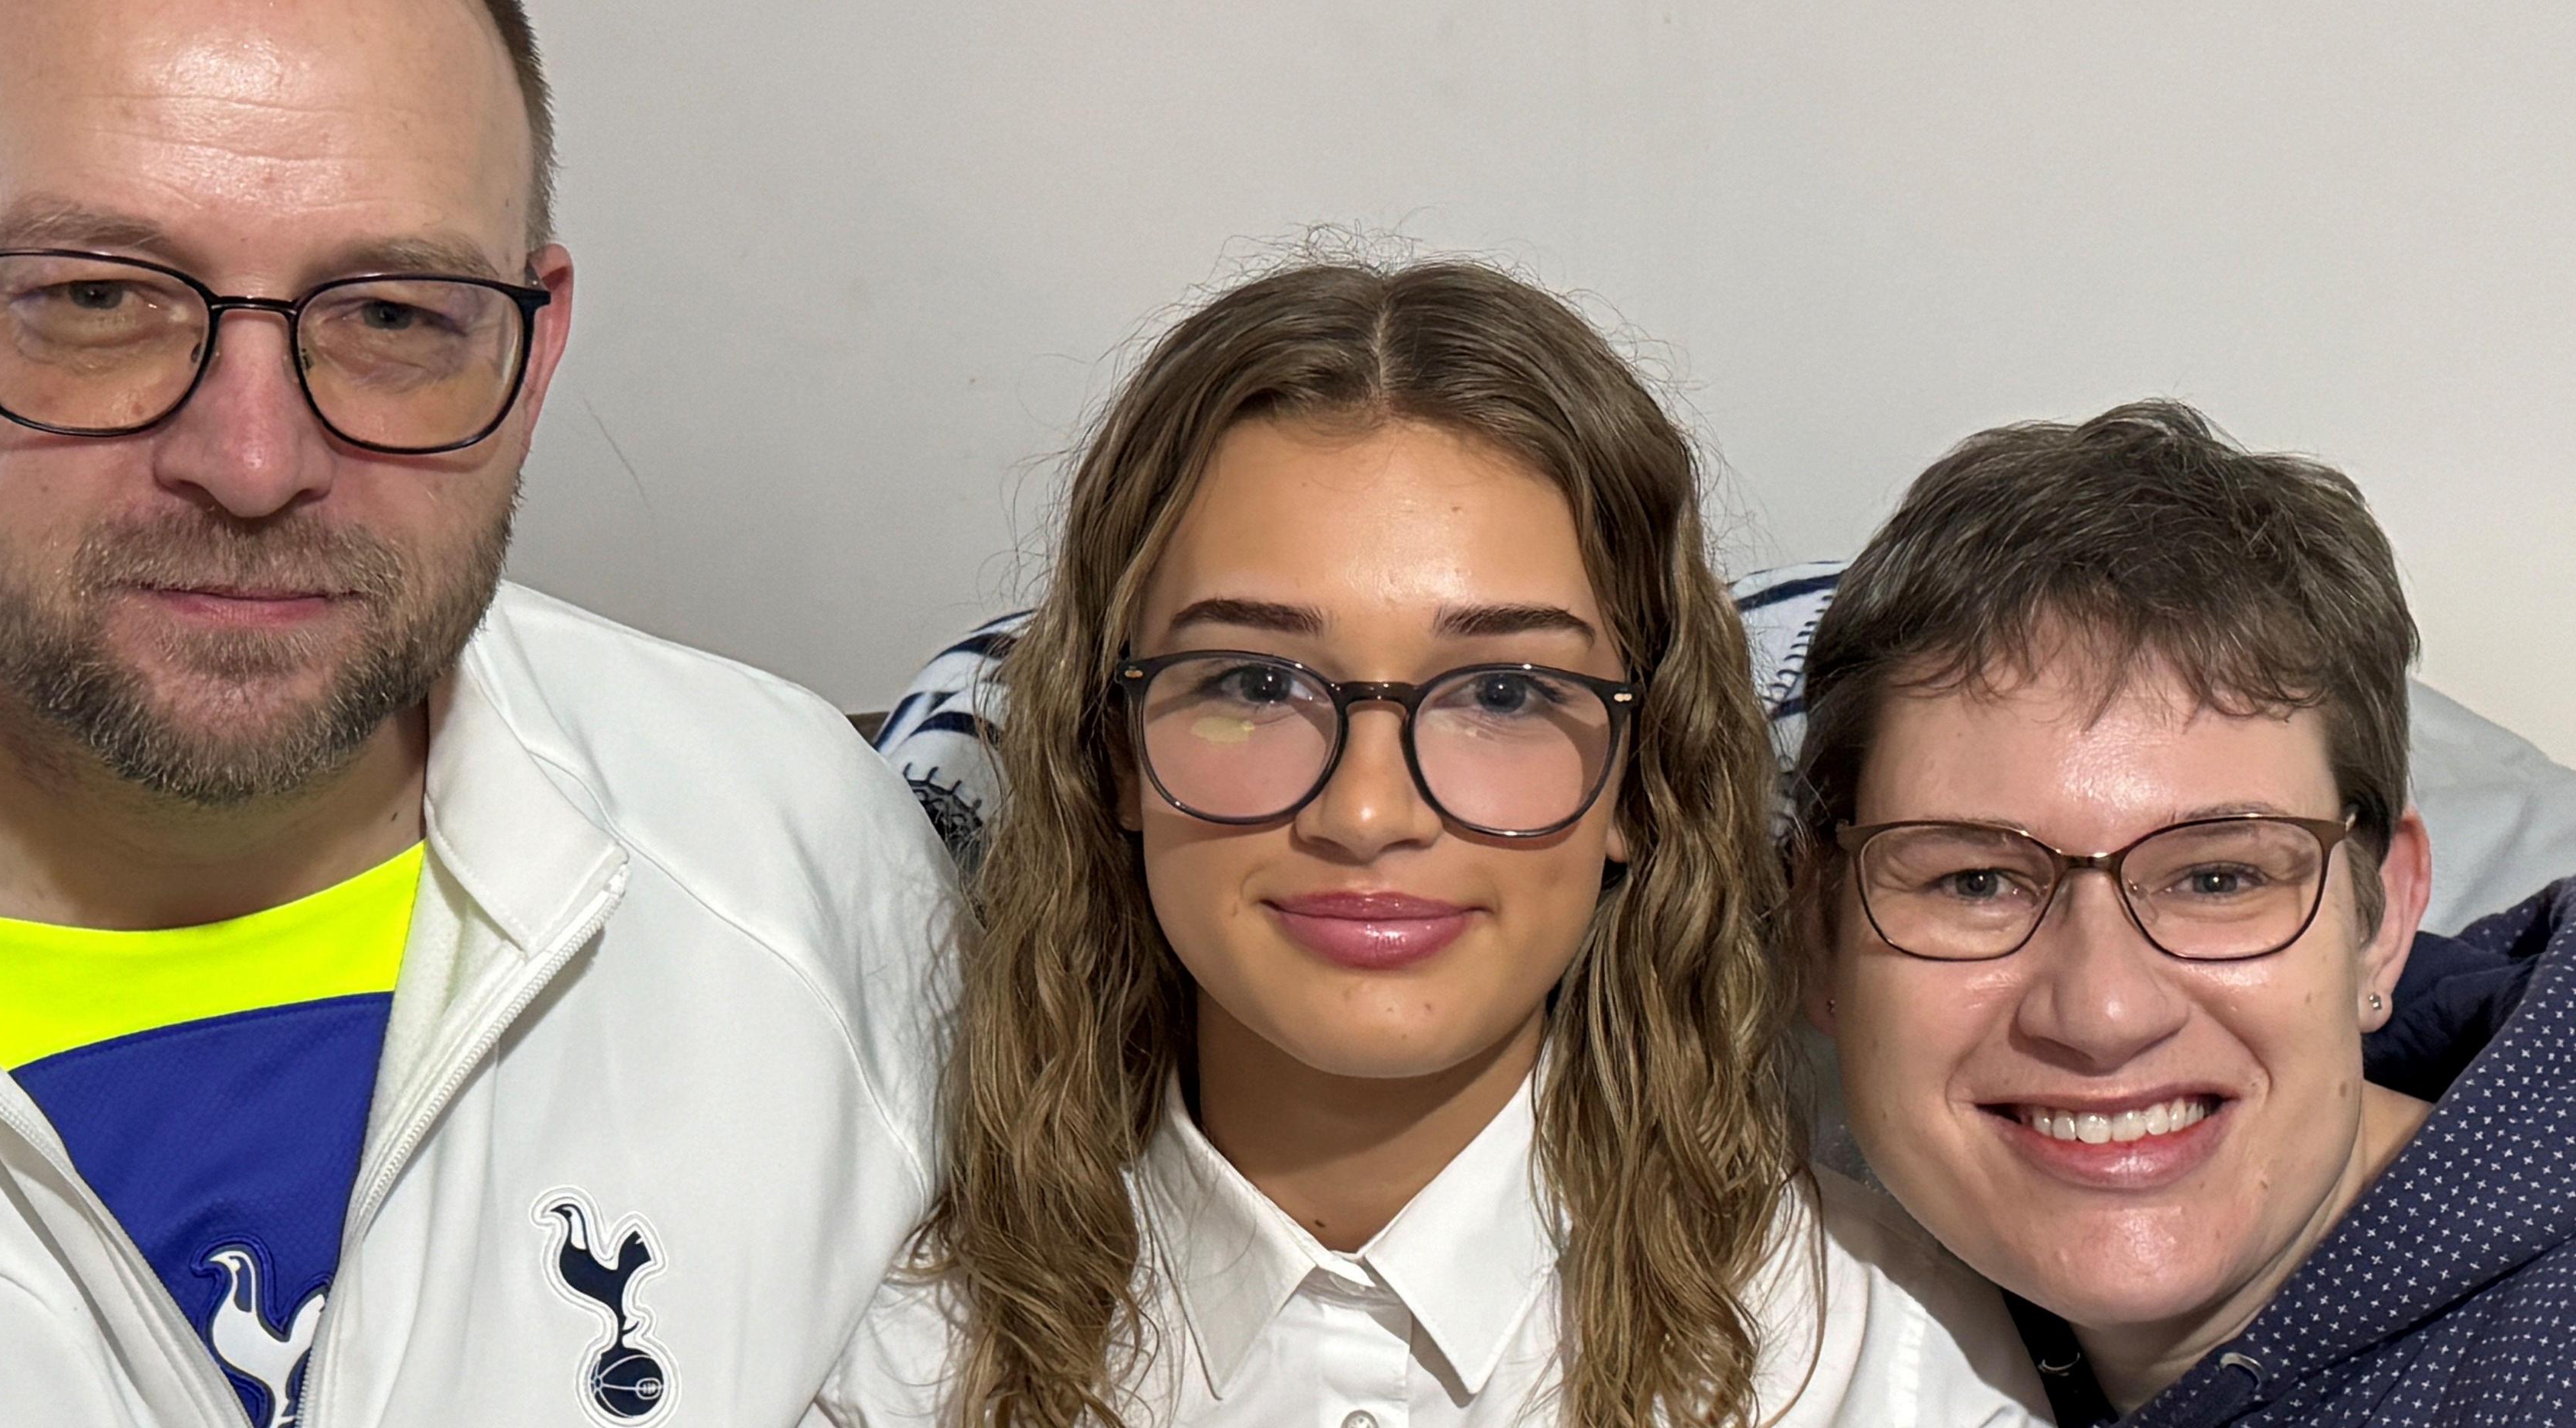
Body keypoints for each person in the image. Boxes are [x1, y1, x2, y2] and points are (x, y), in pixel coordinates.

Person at [0, 0, 950, 1427]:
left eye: (395, 313)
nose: (254, 462)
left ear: (531, 355)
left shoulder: (792, 853)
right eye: (99, 300)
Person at [821, 259, 2048, 1426]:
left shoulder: (1863, 1351)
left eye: (1503, 694)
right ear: (1117, 753)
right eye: (1253, 681)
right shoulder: (887, 1352)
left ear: (1642, 778)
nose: (1366, 813)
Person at [1793, 401, 2576, 1426]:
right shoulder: (1852, 1326)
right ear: (1818, 935)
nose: (2101, 1013)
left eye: (2218, 878)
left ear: (2382, 918)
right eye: (1976, 882)